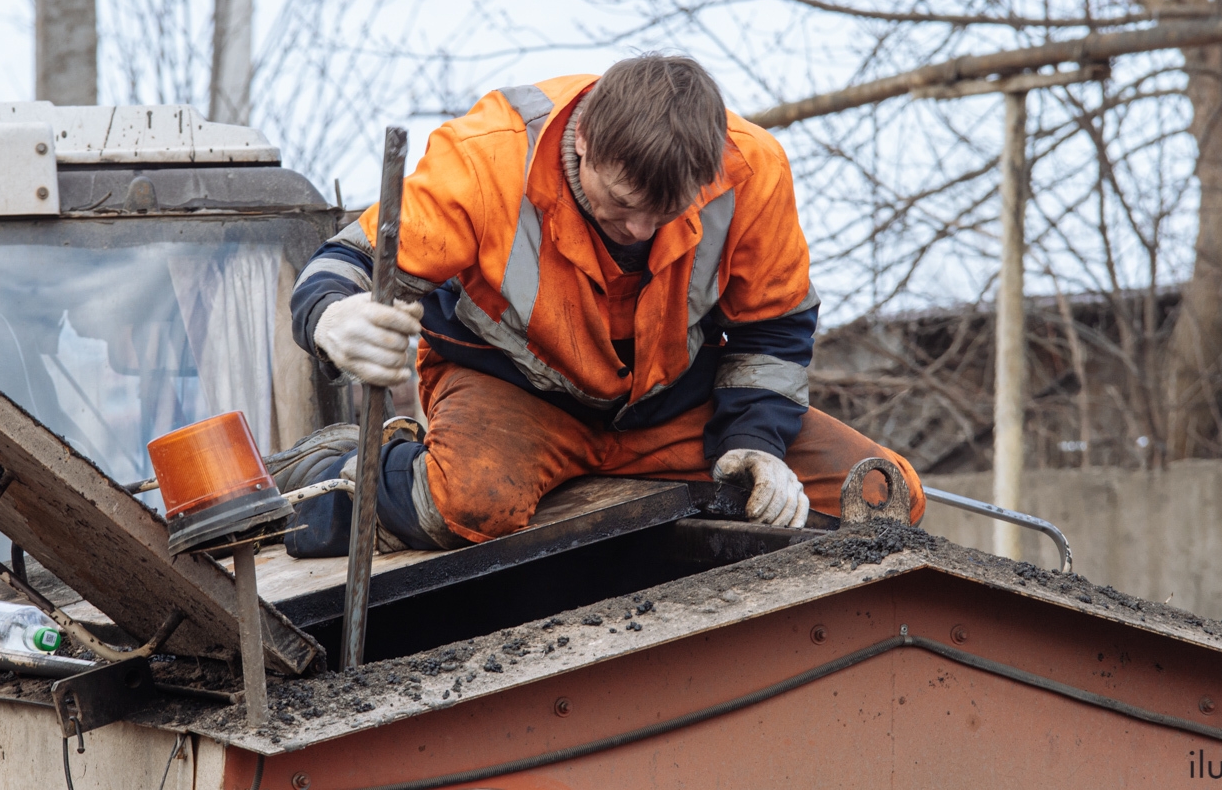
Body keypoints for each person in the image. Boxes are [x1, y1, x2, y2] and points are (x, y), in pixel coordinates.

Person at [286, 54, 923, 555]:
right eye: (621, 203)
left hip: (671, 412)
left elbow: (774, 331)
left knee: (880, 491)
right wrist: (332, 317)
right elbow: (351, 262)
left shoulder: (752, 170)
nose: (641, 231)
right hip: (515, 395)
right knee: (467, 504)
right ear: (584, 139)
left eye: (664, 213)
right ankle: (332, 473)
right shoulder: (487, 158)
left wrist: (757, 443)